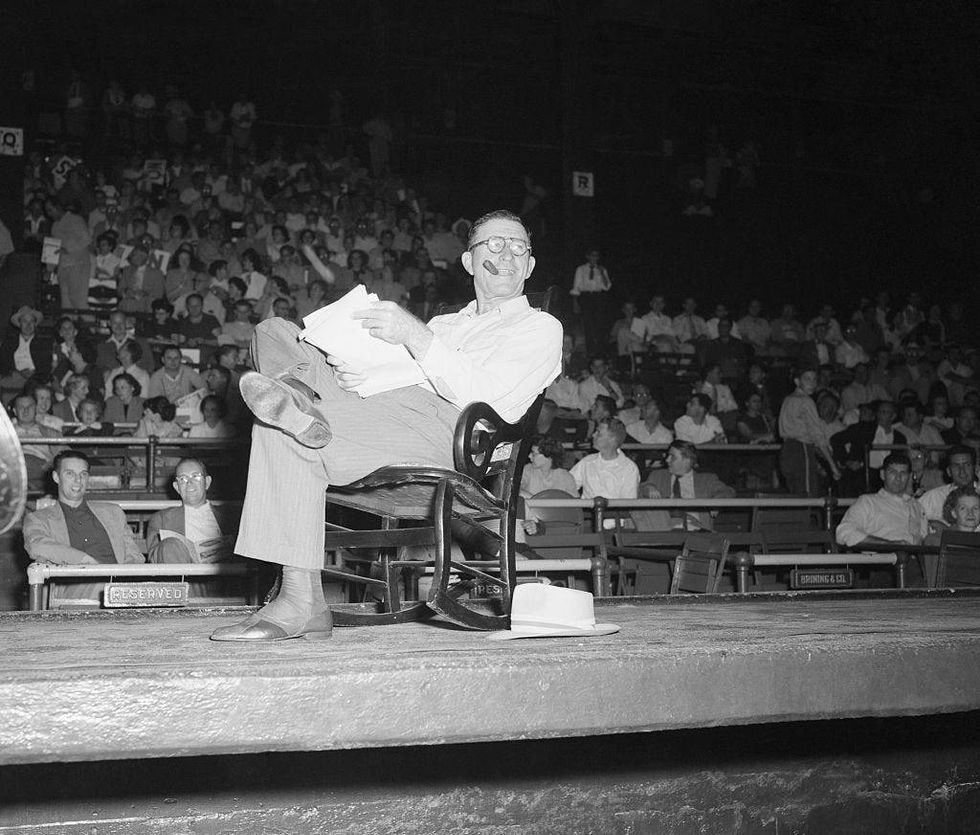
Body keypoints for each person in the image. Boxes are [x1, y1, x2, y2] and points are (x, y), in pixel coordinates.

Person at [211, 209, 562, 642]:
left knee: (281, 427)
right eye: (494, 244)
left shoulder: (539, 327)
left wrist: (413, 335)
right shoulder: (445, 324)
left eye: (518, 247)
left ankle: (301, 600)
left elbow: (486, 397)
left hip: (455, 435)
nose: (507, 254)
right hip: (390, 414)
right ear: (469, 261)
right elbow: (403, 374)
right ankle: (298, 397)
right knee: (275, 330)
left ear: (530, 265)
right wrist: (360, 374)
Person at [23, 451, 144, 604]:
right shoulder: (38, 518)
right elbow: (37, 545)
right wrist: (85, 561)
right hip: (75, 589)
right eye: (70, 474)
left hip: (121, 587)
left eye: (83, 474)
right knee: (102, 586)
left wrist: (127, 581)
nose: (78, 480)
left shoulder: (113, 512)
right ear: (56, 477)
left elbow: (134, 556)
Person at [146, 458, 241, 564]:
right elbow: (154, 558)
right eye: (183, 479)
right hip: (181, 570)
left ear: (207, 482)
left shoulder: (230, 516)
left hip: (224, 571)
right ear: (177, 487)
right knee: (169, 545)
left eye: (196, 476)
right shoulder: (161, 519)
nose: (189, 483)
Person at [632, 439, 736, 532]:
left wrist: (717, 501)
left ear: (687, 460)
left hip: (696, 530)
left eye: (672, 457)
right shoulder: (658, 475)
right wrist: (648, 488)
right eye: (668, 456)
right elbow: (640, 488)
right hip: (665, 530)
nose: (667, 460)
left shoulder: (706, 480)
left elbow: (728, 491)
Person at [836, 453, 928, 552]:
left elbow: (925, 538)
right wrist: (889, 545)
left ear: (909, 476)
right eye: (893, 472)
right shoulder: (868, 502)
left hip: (915, 558)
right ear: (882, 474)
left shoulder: (917, 506)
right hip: (882, 558)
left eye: (903, 473)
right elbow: (844, 532)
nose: (898, 478)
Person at [778, 367, 841, 496]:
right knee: (807, 494)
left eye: (814, 379)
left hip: (787, 451)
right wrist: (833, 466)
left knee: (796, 493)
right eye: (807, 379)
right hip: (802, 450)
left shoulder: (788, 400)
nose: (812, 383)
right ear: (797, 381)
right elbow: (818, 436)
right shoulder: (806, 401)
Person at [569, 418, 639, 503]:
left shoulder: (629, 468)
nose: (593, 435)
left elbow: (627, 504)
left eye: (598, 433)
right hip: (587, 511)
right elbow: (567, 485)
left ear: (612, 439)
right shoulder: (587, 462)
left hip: (615, 511)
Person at [918, 446, 978, 524]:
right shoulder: (933, 498)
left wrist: (947, 529)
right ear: (949, 471)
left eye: (967, 465)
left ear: (975, 469)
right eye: (956, 466)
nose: (962, 471)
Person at [570, 248, 611, 354]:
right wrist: (575, 303)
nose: (594, 258)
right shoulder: (581, 269)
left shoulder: (602, 269)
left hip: (598, 298)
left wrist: (602, 273)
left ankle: (600, 351)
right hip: (586, 298)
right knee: (588, 325)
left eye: (596, 255)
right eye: (592, 255)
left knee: (600, 324)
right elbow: (576, 287)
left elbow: (607, 287)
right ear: (588, 256)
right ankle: (590, 351)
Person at [0, 306, 52, 389]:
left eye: (31, 321)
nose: (28, 325)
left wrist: (34, 374)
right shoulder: (9, 344)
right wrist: (19, 372)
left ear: (35, 324)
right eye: (24, 321)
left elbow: (46, 369)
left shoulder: (43, 344)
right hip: (14, 379)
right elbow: (3, 367)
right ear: (19, 324)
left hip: (36, 381)